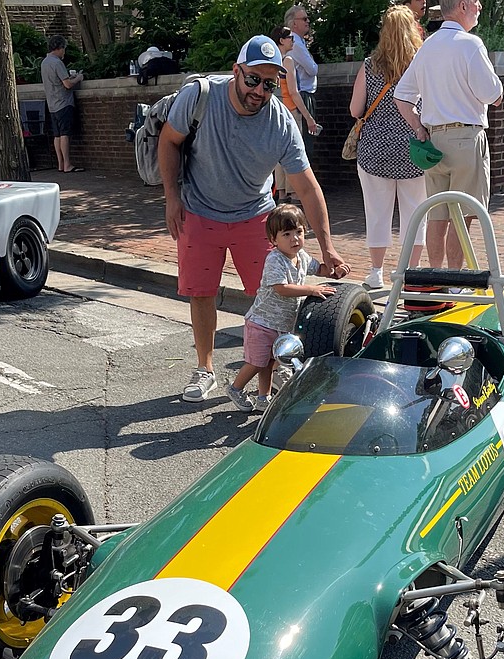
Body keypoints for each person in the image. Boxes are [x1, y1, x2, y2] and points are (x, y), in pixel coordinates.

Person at [158, 34, 349, 404]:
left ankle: (271, 370)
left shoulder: (280, 121)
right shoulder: (199, 96)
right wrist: (171, 197)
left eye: (270, 83)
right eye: (253, 79)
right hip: (198, 209)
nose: (260, 91)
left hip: (255, 216)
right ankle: (205, 368)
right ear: (236, 71)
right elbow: (169, 141)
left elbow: (308, 188)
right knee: (201, 293)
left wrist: (328, 248)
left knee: (271, 294)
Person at [394, 0, 502, 269]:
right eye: (476, 3)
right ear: (463, 5)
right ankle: (454, 281)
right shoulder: (470, 44)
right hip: (465, 137)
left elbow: (402, 96)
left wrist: (418, 128)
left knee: (438, 214)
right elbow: (493, 95)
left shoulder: (427, 45)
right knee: (463, 212)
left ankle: (435, 277)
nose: (479, 7)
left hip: (432, 139)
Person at [227, 204, 342, 412]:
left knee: (270, 362)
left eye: (298, 232)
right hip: (262, 322)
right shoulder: (275, 259)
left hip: (281, 324)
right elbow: (282, 288)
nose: (294, 239)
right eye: (286, 234)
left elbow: (321, 269)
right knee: (257, 363)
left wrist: (335, 270)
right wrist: (311, 290)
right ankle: (236, 388)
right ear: (273, 240)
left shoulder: (302, 257)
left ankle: (264, 397)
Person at [349, 5, 427, 291]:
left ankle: (376, 271)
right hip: (414, 148)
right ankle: (411, 270)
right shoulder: (421, 65)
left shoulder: (370, 65)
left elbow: (355, 108)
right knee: (416, 212)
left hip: (374, 150)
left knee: (377, 211)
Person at [270, 25, 319, 204]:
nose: (293, 40)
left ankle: (282, 192)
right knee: (292, 150)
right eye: (289, 37)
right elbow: (293, 91)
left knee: (278, 152)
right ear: (282, 40)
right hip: (290, 110)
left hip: (275, 110)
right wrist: (308, 117)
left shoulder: (272, 59)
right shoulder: (288, 61)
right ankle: (294, 192)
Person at [41, 35, 85, 173]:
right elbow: (67, 84)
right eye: (63, 49)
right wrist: (78, 78)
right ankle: (67, 164)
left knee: (57, 135)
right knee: (65, 134)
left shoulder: (44, 62)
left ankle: (60, 164)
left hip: (52, 104)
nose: (64, 52)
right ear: (59, 48)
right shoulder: (57, 63)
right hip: (63, 103)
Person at [284, 5, 318, 163]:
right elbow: (312, 69)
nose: (308, 21)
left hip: (303, 94)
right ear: (293, 23)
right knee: (305, 143)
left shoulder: (298, 42)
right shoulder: (295, 43)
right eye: (304, 19)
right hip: (302, 95)